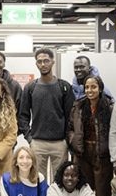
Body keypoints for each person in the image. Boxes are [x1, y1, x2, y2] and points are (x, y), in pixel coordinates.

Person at [19, 48, 74, 181]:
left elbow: (71, 117)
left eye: (46, 61)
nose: (43, 64)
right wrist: (29, 138)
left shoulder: (64, 87)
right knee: (38, 180)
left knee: (60, 181)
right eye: (39, 61)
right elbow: (23, 115)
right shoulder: (30, 87)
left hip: (59, 143)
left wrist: (67, 140)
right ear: (36, 64)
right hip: (38, 143)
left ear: (53, 62)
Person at [67, 75, 114, 196]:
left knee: (102, 195)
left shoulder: (110, 107)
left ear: (100, 88)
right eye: (87, 87)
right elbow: (70, 128)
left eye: (93, 87)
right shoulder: (78, 106)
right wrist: (73, 142)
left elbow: (115, 131)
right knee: (83, 193)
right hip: (82, 154)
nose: (89, 90)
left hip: (103, 155)